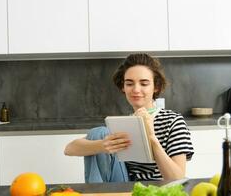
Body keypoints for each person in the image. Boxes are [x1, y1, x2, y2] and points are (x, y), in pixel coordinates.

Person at [64, 53, 194, 182]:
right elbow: (69, 149)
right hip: (125, 188)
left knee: (101, 133)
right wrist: (104, 145)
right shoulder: (125, 124)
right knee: (98, 132)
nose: (136, 90)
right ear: (123, 87)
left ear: (156, 87)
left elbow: (177, 179)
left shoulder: (173, 121)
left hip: (158, 190)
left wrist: (151, 137)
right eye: (129, 83)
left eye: (144, 83)